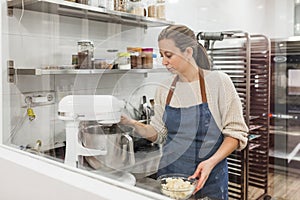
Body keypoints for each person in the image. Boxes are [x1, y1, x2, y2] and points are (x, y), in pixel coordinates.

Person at [121, 24, 248, 200]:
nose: (164, 61)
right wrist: (131, 123)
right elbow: (159, 133)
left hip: (210, 178)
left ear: (188, 52)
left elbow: (236, 134)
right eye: (162, 55)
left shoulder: (218, 82)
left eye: (169, 55)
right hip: (171, 179)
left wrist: (211, 162)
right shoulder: (164, 88)